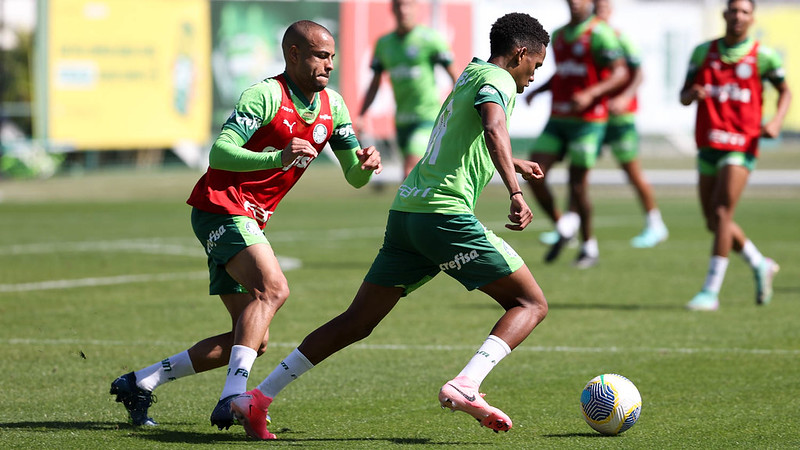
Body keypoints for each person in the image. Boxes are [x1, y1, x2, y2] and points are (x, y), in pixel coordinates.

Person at [224, 12, 551, 440]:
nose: (531, 77)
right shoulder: (500, 79)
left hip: (406, 214)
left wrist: (513, 162)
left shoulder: (471, 72)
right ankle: (466, 384)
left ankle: (258, 398)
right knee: (530, 304)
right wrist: (514, 190)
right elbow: (492, 126)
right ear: (521, 53)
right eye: (536, 66)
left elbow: (468, 135)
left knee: (357, 321)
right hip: (443, 215)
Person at [109, 20, 383, 427]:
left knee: (254, 339)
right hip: (220, 205)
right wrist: (276, 157)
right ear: (294, 54)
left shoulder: (333, 106)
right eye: (320, 56)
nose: (329, 65)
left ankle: (140, 382)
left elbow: (353, 177)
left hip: (251, 217)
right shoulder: (265, 95)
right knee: (273, 289)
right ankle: (233, 399)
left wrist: (366, 165)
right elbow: (219, 154)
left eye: (332, 58)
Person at [681, 0, 790, 311]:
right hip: (708, 143)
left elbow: (785, 91)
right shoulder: (704, 52)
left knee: (722, 213)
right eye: (733, 10)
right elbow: (684, 94)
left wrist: (776, 121)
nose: (738, 16)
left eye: (744, 11)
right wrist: (692, 94)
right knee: (713, 221)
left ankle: (710, 292)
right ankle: (760, 263)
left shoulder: (763, 56)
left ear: (752, 17)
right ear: (724, 14)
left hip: (741, 144)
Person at [540, 0, 668, 249]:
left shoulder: (618, 38)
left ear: (611, 10)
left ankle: (655, 222)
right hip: (592, 116)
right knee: (579, 176)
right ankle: (570, 224)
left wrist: (624, 97)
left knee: (631, 171)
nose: (600, 12)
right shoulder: (579, 36)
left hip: (619, 118)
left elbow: (638, 73)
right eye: (597, 7)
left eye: (604, 7)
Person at [523, 0, 628, 268]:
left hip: (588, 121)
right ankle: (563, 226)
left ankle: (589, 246)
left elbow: (620, 73)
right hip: (558, 117)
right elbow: (563, 73)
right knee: (533, 173)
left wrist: (592, 93)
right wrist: (540, 90)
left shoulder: (600, 33)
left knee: (578, 185)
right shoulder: (557, 35)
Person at [359, 0, 459, 178]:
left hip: (427, 118)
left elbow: (456, 78)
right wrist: (361, 115)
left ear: (415, 8)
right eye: (398, 5)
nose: (403, 10)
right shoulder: (384, 44)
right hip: (401, 122)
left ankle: (404, 206)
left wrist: (458, 107)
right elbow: (374, 85)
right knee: (418, 177)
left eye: (407, 5)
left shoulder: (430, 39)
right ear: (392, 9)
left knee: (409, 169)